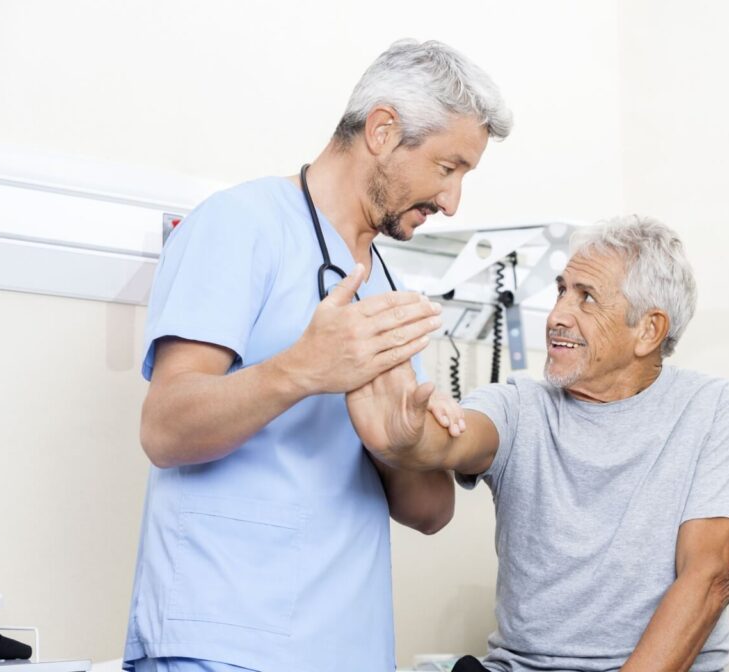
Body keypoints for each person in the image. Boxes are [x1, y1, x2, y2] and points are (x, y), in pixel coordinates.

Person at [123, 39, 512, 672]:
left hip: (348, 649)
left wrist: (402, 444)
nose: (452, 202)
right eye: (448, 168)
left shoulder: (384, 289)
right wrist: (301, 369)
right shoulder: (239, 224)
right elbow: (164, 428)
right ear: (383, 130)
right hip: (222, 644)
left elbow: (431, 512)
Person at [348, 215, 729, 672]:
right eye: (561, 291)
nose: (557, 316)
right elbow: (450, 441)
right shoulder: (518, 404)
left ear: (648, 330)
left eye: (586, 298)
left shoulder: (715, 409)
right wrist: (403, 437)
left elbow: (708, 578)